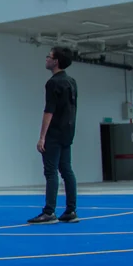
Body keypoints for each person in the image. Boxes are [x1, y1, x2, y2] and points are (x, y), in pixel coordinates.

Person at [28, 46, 79, 224]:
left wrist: (42, 136)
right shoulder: (72, 82)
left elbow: (49, 110)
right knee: (66, 170)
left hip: (55, 132)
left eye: (49, 57)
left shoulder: (53, 83)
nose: (46, 59)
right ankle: (71, 210)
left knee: (51, 172)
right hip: (68, 131)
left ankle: (49, 211)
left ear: (56, 61)